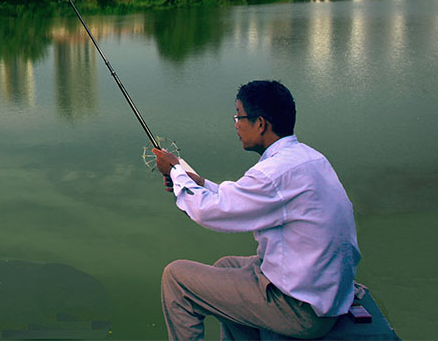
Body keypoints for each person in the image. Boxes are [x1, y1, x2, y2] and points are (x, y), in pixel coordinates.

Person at [153, 80, 359, 341]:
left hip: (301, 311)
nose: (236, 125)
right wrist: (199, 184)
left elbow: (212, 212)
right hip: (324, 296)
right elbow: (236, 200)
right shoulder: (308, 159)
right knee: (225, 266)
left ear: (260, 123)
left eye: (238, 117)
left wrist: (175, 172)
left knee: (176, 278)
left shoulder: (275, 174)